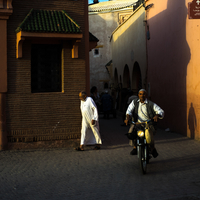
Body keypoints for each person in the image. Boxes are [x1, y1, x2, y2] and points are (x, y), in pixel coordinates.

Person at [124, 89, 164, 157]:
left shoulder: (151, 104)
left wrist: (157, 115)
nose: (142, 95)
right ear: (138, 95)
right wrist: (127, 118)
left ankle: (152, 148)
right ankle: (135, 147)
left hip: (148, 123)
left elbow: (160, 111)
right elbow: (129, 111)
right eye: (140, 94)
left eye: (143, 94)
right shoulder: (134, 102)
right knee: (131, 132)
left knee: (149, 138)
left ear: (146, 95)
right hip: (137, 123)